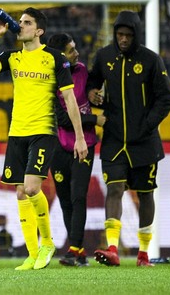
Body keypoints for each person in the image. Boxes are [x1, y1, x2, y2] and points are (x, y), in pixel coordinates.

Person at [0, 8, 88, 271]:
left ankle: (47, 242)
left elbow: (70, 100)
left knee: (32, 188)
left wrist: (80, 138)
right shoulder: (12, 57)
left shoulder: (54, 58)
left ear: (39, 31)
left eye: (27, 23)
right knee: (20, 193)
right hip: (17, 132)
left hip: (42, 131)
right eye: (20, 22)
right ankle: (32, 252)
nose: (21, 26)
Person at [85, 10, 170, 267]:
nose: (123, 39)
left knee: (146, 194)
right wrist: (92, 93)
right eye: (119, 35)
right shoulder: (104, 56)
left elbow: (165, 98)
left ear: (136, 35)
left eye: (128, 35)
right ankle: (113, 248)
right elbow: (92, 82)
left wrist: (147, 125)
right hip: (113, 138)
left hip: (144, 141)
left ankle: (144, 253)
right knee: (114, 189)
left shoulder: (151, 60)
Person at [45, 33, 104, 267]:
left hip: (84, 144)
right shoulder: (48, 81)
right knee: (65, 200)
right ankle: (78, 251)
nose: (76, 52)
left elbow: (92, 89)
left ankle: (74, 248)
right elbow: (63, 118)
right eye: (71, 50)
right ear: (61, 56)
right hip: (59, 147)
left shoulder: (81, 70)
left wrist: (94, 93)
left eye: (75, 47)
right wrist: (94, 120)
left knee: (79, 196)